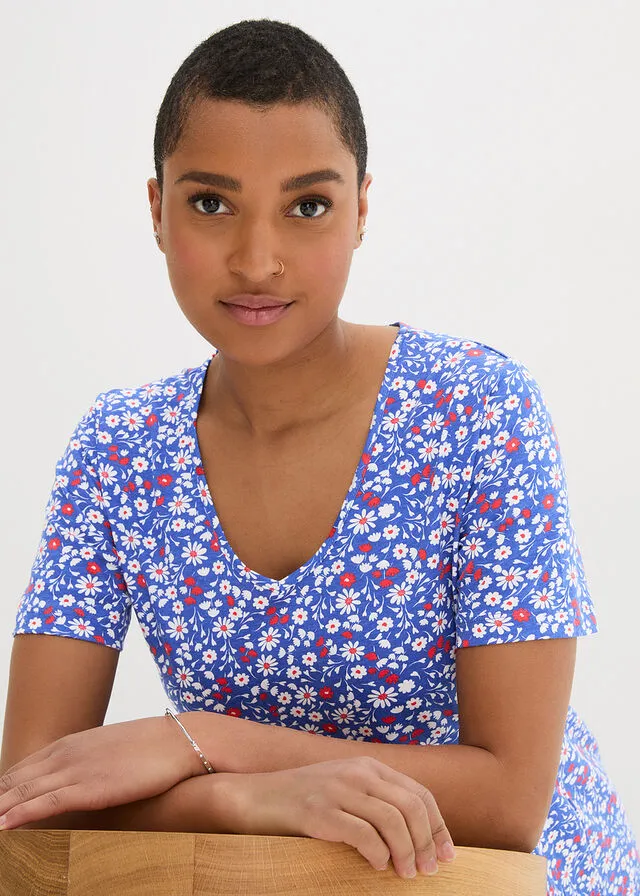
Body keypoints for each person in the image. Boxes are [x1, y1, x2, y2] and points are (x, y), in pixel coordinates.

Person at [0, 18, 637, 894]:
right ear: (155, 209)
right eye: (211, 203)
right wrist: (251, 800)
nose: (258, 260)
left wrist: (207, 743)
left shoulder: (477, 410)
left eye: (308, 206)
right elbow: (32, 793)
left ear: (362, 209)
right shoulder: (118, 450)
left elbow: (511, 800)